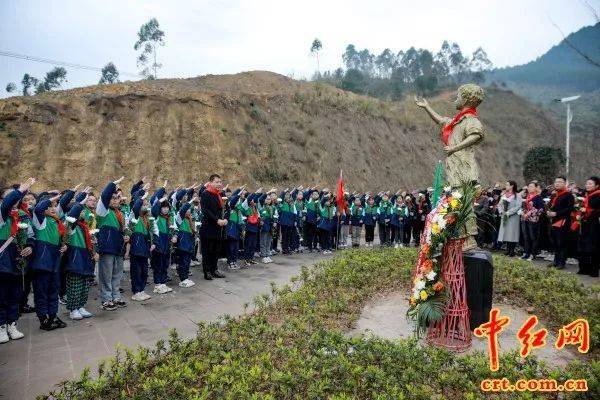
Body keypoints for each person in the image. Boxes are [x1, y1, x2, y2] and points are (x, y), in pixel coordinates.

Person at [0, 178, 35, 343]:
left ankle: (12, 324)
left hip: (17, 262)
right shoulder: (2, 215)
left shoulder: (21, 216)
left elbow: (29, 236)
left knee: (15, 295)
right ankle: (1, 327)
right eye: (9, 197)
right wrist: (19, 190)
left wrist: (29, 246)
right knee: (2, 296)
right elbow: (6, 205)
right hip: (3, 263)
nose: (14, 201)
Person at [31, 193, 68, 330]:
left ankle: (53, 316)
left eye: (54, 206)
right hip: (42, 264)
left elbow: (59, 240)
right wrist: (48, 199)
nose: (53, 208)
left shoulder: (56, 221)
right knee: (41, 292)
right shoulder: (40, 220)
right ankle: (43, 318)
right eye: (50, 206)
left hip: (54, 263)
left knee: (54, 290)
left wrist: (63, 246)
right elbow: (39, 208)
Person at [96, 178, 128, 311]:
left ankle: (116, 296)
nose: (115, 200)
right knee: (106, 274)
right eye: (112, 198)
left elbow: (123, 229)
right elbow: (104, 195)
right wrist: (113, 184)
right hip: (107, 248)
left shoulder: (119, 213)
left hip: (118, 247)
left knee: (117, 273)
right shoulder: (103, 211)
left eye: (117, 198)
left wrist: (126, 236)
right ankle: (106, 299)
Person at [64, 202, 96, 320]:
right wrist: (80, 202)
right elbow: (73, 215)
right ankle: (73, 309)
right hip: (75, 258)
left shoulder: (84, 226)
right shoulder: (71, 225)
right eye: (81, 211)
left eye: (83, 211)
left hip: (85, 257)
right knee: (75, 285)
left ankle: (81, 305)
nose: (83, 213)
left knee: (84, 285)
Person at [199, 174, 227, 280]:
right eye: (217, 182)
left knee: (216, 250)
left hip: (219, 228)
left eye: (220, 182)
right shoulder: (206, 194)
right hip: (208, 227)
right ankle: (207, 271)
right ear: (211, 182)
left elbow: (227, 208)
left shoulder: (221, 194)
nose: (219, 184)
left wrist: (226, 219)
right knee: (207, 251)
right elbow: (206, 211)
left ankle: (214, 269)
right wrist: (217, 220)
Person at [129, 191, 154, 301]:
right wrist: (141, 198)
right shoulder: (134, 214)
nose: (145, 206)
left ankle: (142, 289)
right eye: (143, 204)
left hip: (144, 247)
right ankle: (136, 291)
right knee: (136, 270)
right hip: (136, 248)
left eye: (146, 204)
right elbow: (136, 206)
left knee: (144, 270)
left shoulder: (146, 218)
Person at [547, 176, 574, 270]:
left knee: (561, 242)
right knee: (554, 242)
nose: (557, 183)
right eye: (556, 182)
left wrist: (556, 213)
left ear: (565, 183)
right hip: (553, 221)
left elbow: (569, 209)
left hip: (563, 221)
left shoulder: (568, 195)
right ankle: (555, 261)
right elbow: (551, 206)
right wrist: (549, 211)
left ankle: (561, 262)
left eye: (560, 182)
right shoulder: (555, 195)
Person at [577, 176, 600, 277]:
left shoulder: (598, 195)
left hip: (595, 224)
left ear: (597, 185)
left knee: (593, 247)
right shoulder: (585, 195)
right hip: (585, 223)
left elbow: (597, 210)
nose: (587, 185)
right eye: (587, 184)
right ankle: (584, 268)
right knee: (583, 245)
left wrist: (587, 211)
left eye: (590, 184)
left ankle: (594, 270)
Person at [497, 181, 521, 257]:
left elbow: (518, 206)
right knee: (506, 233)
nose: (506, 186)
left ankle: (512, 251)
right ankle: (507, 250)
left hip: (513, 217)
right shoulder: (504, 194)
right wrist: (501, 212)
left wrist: (508, 212)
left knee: (512, 233)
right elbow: (499, 204)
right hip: (504, 216)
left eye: (507, 185)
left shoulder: (517, 195)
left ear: (512, 186)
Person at [520, 181, 544, 261]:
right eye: (529, 186)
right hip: (525, 219)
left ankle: (533, 254)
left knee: (533, 237)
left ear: (536, 188)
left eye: (531, 186)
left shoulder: (538, 197)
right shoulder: (528, 196)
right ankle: (526, 253)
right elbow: (525, 207)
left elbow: (540, 209)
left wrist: (529, 214)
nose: (529, 188)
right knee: (526, 237)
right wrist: (523, 212)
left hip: (533, 220)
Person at [175, 201, 196, 287]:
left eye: (189, 210)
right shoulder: (180, 218)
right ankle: (183, 278)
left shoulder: (189, 220)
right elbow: (182, 210)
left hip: (189, 245)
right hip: (182, 245)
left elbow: (192, 231)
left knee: (187, 262)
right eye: (187, 210)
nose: (188, 211)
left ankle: (186, 277)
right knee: (183, 262)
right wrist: (189, 202)